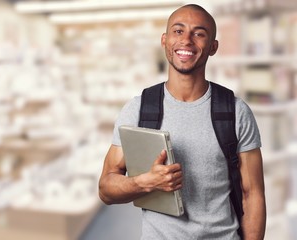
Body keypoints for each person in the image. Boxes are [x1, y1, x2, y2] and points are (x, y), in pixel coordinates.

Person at [98, 4, 266, 240]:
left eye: (199, 33)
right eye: (178, 31)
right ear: (164, 41)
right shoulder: (138, 109)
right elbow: (106, 189)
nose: (186, 40)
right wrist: (144, 182)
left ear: (213, 47)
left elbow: (253, 194)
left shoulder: (235, 112)